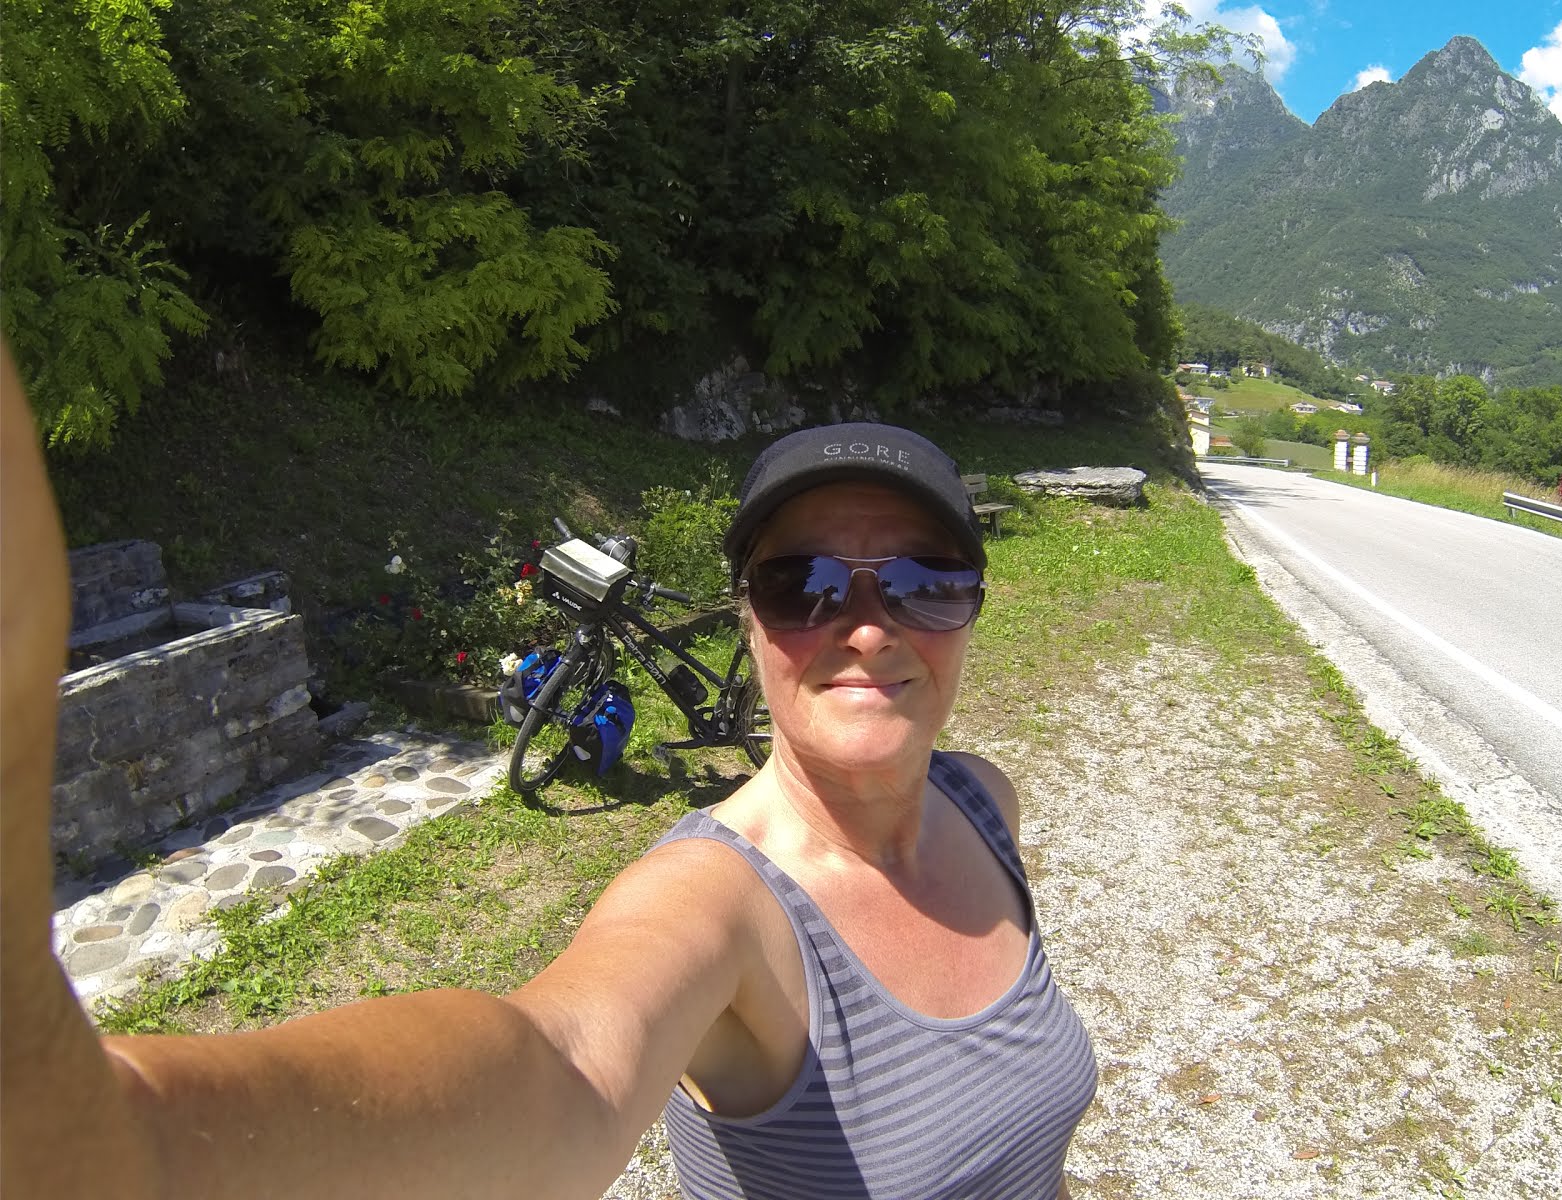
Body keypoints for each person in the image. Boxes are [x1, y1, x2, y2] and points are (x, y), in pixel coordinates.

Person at [1, 341, 1097, 1199]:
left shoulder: (982, 802)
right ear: (750, 619)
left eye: (924, 582)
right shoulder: (720, 905)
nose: (866, 628)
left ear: (972, 609)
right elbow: (559, 1064)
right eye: (803, 584)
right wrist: (130, 1137)